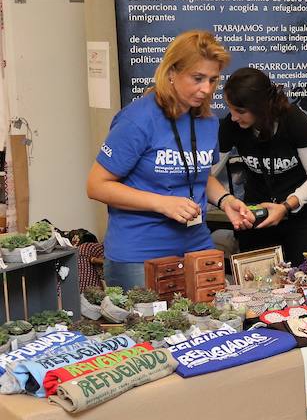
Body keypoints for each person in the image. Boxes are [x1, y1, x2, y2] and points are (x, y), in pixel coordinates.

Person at [86, 30, 246, 289]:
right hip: (140, 255)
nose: (206, 89)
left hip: (197, 246)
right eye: (197, 78)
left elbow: (199, 175)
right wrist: (162, 203)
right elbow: (96, 185)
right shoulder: (137, 120)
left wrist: (226, 200)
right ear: (172, 73)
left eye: (213, 80)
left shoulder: (207, 121)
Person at [220, 67, 307, 265]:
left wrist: (286, 206)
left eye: (241, 111)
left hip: (302, 219)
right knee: (256, 286)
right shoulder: (231, 125)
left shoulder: (293, 120)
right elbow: (209, 169)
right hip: (256, 217)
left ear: (261, 107)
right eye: (230, 108)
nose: (234, 117)